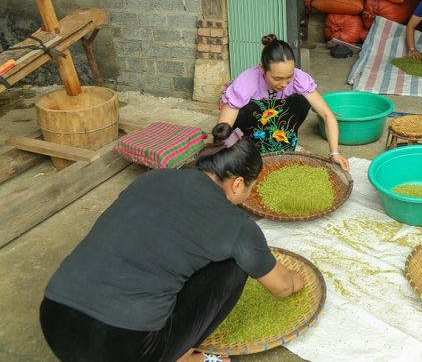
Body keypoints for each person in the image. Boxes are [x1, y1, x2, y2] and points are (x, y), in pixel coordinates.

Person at [40, 124, 307, 362]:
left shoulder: (151, 178)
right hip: (122, 348)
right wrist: (297, 280)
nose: (249, 194)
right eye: (251, 187)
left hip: (56, 322)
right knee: (235, 265)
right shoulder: (237, 226)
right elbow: (281, 288)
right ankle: (181, 356)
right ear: (238, 184)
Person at [218, 34, 349, 171]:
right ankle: (249, 145)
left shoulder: (299, 79)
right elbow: (223, 126)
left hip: (278, 120)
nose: (284, 84)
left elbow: (327, 115)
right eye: (277, 78)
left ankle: (284, 143)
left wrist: (335, 153)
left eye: (289, 77)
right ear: (262, 69)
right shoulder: (246, 83)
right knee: (244, 109)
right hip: (252, 124)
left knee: (302, 100)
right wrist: (222, 155)